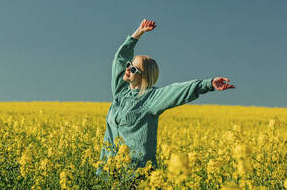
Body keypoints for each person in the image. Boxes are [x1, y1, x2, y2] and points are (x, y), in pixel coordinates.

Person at [96, 19, 235, 179]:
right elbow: (119, 59)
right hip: (109, 175)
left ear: (144, 76)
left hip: (137, 176)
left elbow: (177, 91)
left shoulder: (150, 98)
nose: (127, 69)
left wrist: (208, 84)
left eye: (133, 68)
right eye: (129, 65)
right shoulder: (121, 93)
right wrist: (138, 33)